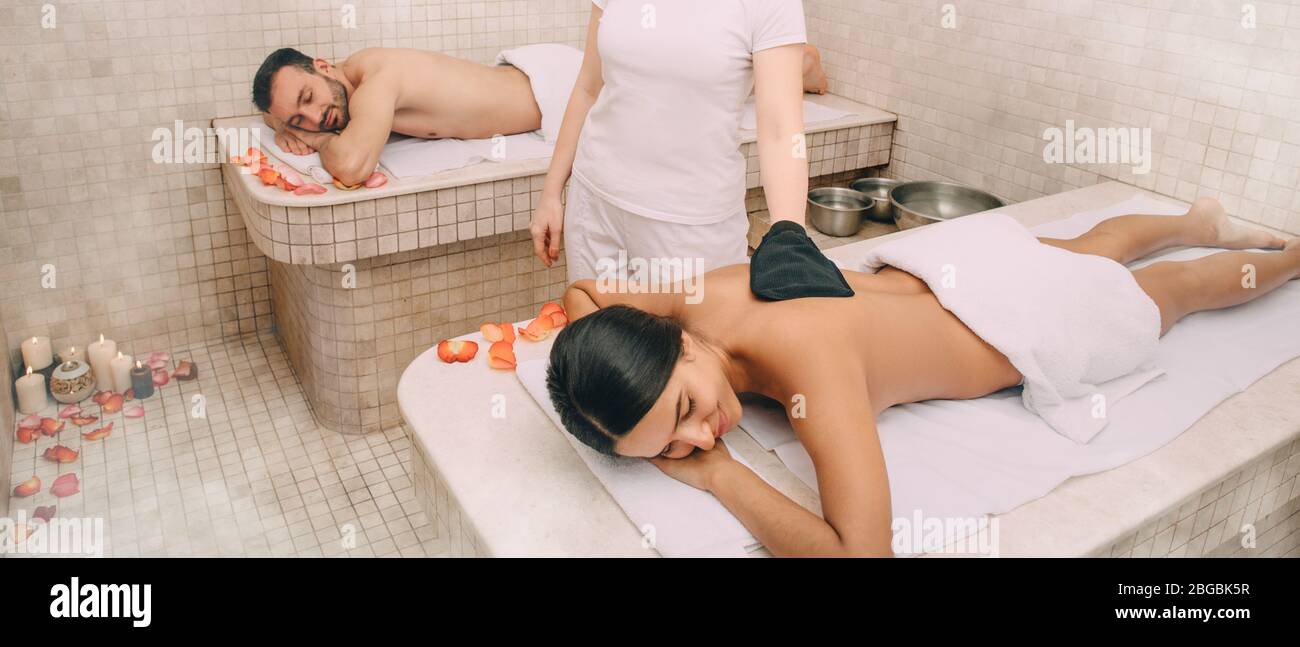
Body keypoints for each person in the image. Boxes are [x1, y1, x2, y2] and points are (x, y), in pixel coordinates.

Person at [544, 197, 1296, 557]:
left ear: (677, 346)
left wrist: (719, 480)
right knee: (1086, 244)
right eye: (670, 448)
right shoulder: (693, 296)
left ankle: (1289, 254)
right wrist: (598, 371)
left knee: (1178, 293)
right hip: (953, 266)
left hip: (1026, 321)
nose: (700, 435)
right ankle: (1194, 220)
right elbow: (582, 305)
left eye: (685, 407)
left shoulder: (811, 365)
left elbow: (861, 555)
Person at [531, 0, 831, 285]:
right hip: (595, 208)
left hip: (691, 227)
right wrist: (551, 192)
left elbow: (781, 129)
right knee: (595, 334)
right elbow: (589, 87)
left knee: (689, 337)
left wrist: (791, 239)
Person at [251, 47, 543, 185]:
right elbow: (270, 114)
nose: (316, 118)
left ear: (324, 66)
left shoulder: (376, 82)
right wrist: (281, 123)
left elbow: (351, 167)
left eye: (309, 98)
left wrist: (307, 136)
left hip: (554, 95)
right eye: (299, 119)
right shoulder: (341, 78)